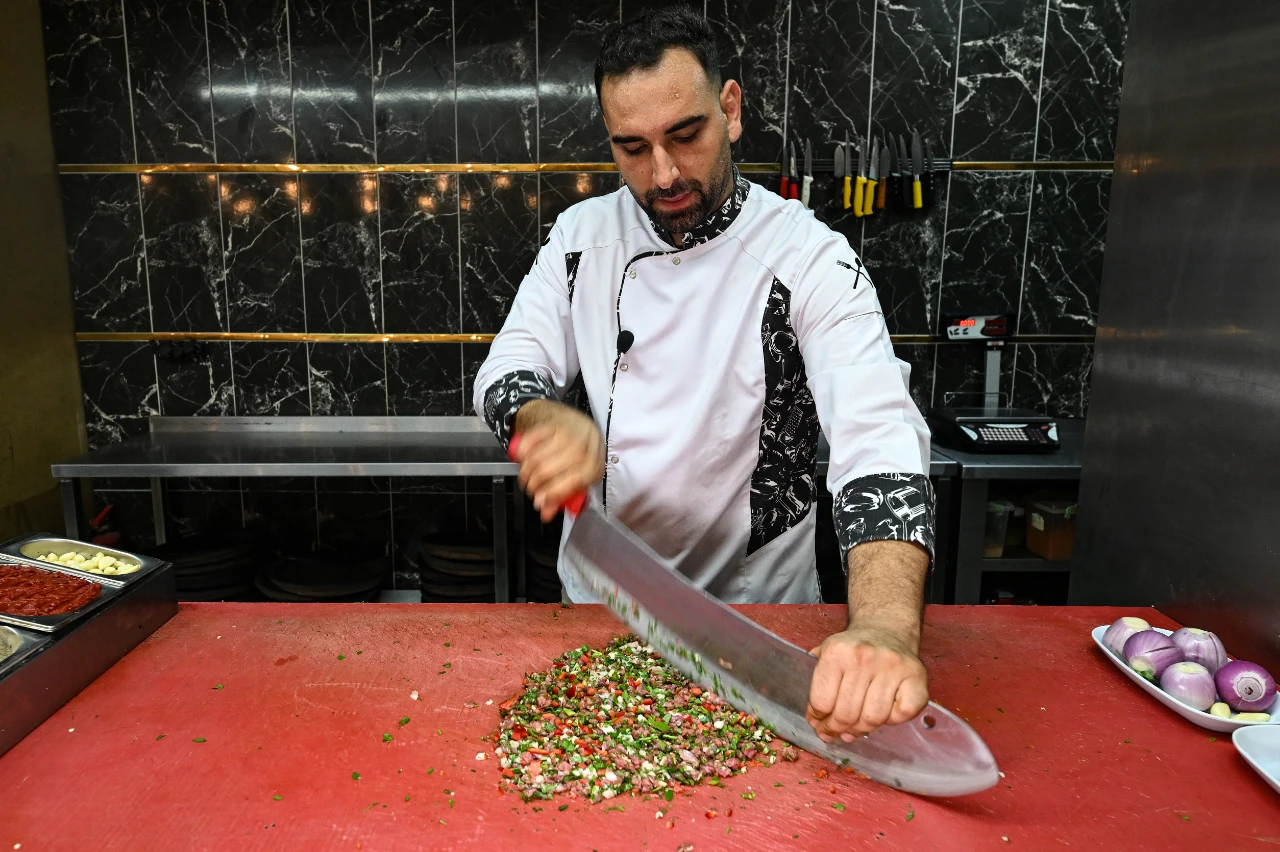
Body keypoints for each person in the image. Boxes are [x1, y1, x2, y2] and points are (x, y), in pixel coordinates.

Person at [471, 7, 935, 743]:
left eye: (685, 136)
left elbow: (880, 441)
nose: (662, 174)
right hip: (605, 612)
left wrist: (882, 627)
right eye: (632, 148)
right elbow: (509, 365)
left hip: (759, 622)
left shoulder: (810, 257)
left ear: (731, 109)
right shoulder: (581, 240)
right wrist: (537, 416)